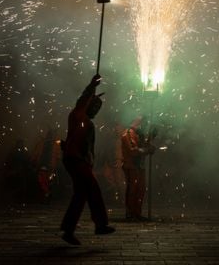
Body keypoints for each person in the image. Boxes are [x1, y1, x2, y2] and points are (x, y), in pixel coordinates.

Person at [60, 74, 115, 245]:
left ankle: (69, 229)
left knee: (81, 194)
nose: (96, 111)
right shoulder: (78, 116)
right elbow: (82, 100)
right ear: (88, 105)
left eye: (98, 109)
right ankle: (99, 224)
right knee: (92, 189)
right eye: (94, 107)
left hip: (79, 160)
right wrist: (92, 86)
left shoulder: (87, 122)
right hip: (75, 159)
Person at [121, 116, 155, 221]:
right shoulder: (127, 134)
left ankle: (137, 212)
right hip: (131, 165)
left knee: (141, 189)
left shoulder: (140, 134)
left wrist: (150, 142)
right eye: (140, 122)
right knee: (132, 189)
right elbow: (133, 151)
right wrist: (147, 150)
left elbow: (145, 145)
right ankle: (130, 213)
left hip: (139, 166)